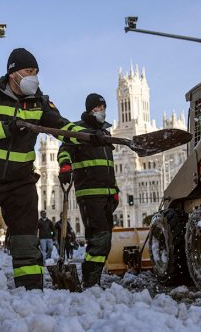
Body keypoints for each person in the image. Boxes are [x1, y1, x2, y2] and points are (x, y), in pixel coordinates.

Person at [0, 48, 107, 290]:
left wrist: (91, 136)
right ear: (13, 73)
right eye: (28, 71)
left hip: (20, 182)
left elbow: (62, 127)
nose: (33, 77)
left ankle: (31, 292)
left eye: (36, 72)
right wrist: (7, 128)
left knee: (26, 243)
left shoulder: (40, 102)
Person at [57, 93, 119, 288]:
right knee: (99, 239)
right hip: (90, 193)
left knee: (105, 240)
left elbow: (109, 165)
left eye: (103, 107)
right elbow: (64, 149)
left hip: (107, 193)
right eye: (98, 108)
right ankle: (91, 282)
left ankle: (93, 279)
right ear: (90, 109)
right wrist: (65, 166)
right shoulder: (79, 130)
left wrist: (114, 189)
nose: (102, 111)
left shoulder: (106, 134)